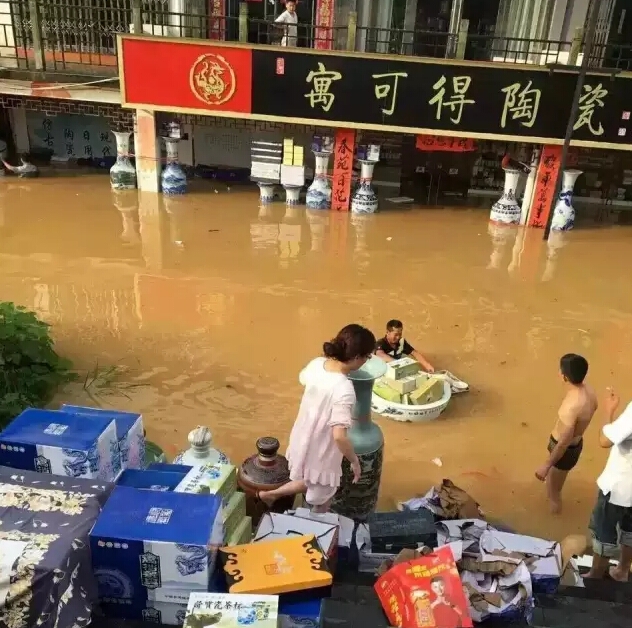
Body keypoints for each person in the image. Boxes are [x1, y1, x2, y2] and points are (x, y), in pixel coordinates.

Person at [258, 323, 375, 513]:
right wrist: (354, 460)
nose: (366, 362)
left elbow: (303, 378)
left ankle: (270, 495)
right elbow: (339, 436)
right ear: (356, 358)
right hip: (322, 450)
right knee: (322, 499)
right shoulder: (344, 389)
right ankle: (315, 533)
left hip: (302, 438)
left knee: (311, 480)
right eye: (367, 357)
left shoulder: (316, 364)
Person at [535, 354, 597, 514]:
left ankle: (553, 522)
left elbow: (563, 441)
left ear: (564, 376)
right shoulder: (589, 391)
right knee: (553, 484)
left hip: (564, 450)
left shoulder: (572, 406)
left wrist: (546, 465)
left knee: (553, 492)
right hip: (575, 444)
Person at [585, 388, 632, 581]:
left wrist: (609, 412)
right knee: (630, 530)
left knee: (603, 530)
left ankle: (595, 577)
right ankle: (622, 570)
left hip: (619, 486)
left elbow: (605, 440)